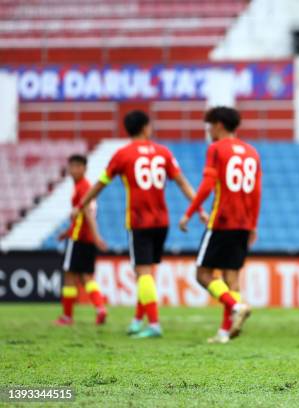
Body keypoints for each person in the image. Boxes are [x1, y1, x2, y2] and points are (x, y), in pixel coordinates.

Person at [73, 110, 205, 338]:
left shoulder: (122, 155)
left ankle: (154, 324)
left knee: (142, 273)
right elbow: (183, 183)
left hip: (139, 221)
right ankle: (137, 319)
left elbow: (100, 184)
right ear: (145, 127)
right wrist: (199, 209)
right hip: (162, 221)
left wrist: (82, 202)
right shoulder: (163, 152)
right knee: (146, 273)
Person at [179, 107, 261, 344]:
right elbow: (256, 191)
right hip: (243, 223)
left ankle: (236, 306)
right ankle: (225, 332)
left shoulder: (216, 149)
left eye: (210, 125)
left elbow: (206, 184)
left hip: (222, 220)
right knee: (232, 278)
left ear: (219, 125)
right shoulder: (251, 152)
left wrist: (189, 213)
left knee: (202, 274)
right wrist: (253, 225)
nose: (208, 131)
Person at [56, 154, 107, 326]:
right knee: (87, 277)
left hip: (79, 238)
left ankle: (67, 316)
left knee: (70, 276)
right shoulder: (85, 186)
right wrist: (66, 231)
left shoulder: (82, 188)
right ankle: (100, 308)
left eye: (77, 166)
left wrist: (96, 235)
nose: (73, 170)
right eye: (71, 166)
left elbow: (87, 214)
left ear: (84, 169)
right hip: (86, 238)